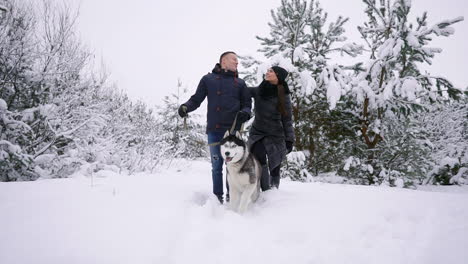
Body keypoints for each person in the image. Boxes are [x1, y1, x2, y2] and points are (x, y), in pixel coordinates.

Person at [178, 51, 252, 204]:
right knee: (216, 166)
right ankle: (217, 197)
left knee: (232, 165)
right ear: (224, 61)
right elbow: (197, 99)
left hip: (233, 132)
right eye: (234, 60)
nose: (237, 63)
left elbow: (247, 105)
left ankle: (232, 196)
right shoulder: (208, 79)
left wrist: (245, 113)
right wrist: (186, 107)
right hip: (215, 129)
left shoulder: (240, 83)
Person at [248, 66, 295, 190]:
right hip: (258, 132)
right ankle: (264, 189)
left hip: (276, 134)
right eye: (267, 70)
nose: (267, 72)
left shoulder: (283, 94)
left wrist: (289, 139)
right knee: (259, 159)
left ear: (277, 76)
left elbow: (287, 118)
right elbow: (243, 90)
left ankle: (274, 192)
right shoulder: (259, 90)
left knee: (275, 164)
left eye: (271, 71)